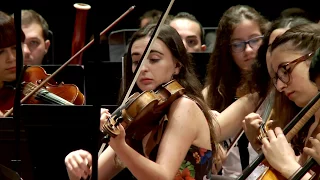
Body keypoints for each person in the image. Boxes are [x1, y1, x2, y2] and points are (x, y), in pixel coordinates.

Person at [64, 24, 223, 180]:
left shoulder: (185, 106)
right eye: (136, 62)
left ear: (177, 65)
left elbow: (163, 177)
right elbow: (93, 177)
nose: (142, 68)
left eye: (154, 59)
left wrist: (120, 146)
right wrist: (77, 167)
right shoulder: (142, 115)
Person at [243, 23, 320, 179]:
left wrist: (287, 165)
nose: (279, 86)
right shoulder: (313, 124)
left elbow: (293, 170)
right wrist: (265, 148)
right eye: (276, 78)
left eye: (285, 70)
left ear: (313, 58)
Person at [202, 4, 269, 178]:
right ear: (227, 50)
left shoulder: (275, 89)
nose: (248, 50)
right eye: (238, 44)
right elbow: (192, 130)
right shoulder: (213, 91)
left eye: (255, 40)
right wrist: (210, 145)